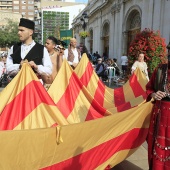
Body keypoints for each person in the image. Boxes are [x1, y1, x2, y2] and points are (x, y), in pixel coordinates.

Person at [6, 18, 52, 82]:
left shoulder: (41, 49)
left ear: (30, 32)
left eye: (22, 30)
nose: (18, 33)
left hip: (34, 87)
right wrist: (19, 66)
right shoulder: (14, 48)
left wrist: (36, 67)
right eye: (18, 30)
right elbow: (8, 69)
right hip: (18, 87)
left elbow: (49, 71)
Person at [146, 54, 170, 170]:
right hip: (159, 116)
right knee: (158, 149)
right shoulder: (160, 69)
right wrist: (153, 94)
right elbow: (149, 88)